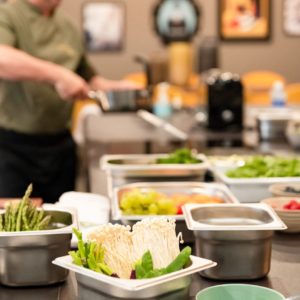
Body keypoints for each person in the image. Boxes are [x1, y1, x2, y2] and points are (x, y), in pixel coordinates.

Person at [0, 0, 138, 203]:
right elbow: (3, 59)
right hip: (14, 149)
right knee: (15, 227)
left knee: (62, 223)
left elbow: (89, 79)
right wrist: (58, 75)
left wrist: (119, 87)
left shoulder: (68, 26)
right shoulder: (8, 14)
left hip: (60, 148)